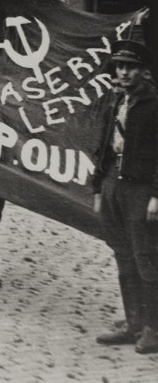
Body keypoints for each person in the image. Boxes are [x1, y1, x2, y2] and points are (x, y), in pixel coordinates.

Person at [93, 38, 158, 354]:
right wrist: (97, 189)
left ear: (144, 72)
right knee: (123, 255)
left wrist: (156, 195)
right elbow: (102, 147)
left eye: (131, 67)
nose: (124, 73)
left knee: (146, 258)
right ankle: (133, 323)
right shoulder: (114, 103)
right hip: (112, 186)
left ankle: (153, 328)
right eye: (119, 67)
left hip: (141, 189)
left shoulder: (153, 105)